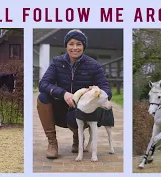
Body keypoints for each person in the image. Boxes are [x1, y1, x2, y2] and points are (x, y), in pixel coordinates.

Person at [37, 29, 112, 159]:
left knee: (75, 118)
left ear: (84, 46)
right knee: (42, 97)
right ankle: (52, 143)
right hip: (60, 108)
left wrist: (96, 91)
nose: (75, 48)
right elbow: (43, 84)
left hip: (80, 111)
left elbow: (107, 91)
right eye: (71, 44)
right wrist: (63, 94)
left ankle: (78, 137)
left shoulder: (94, 66)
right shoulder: (56, 62)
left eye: (79, 44)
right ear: (66, 45)